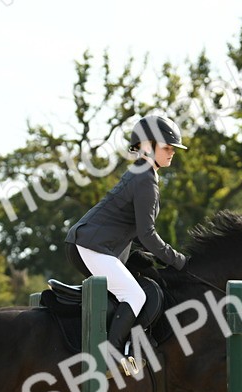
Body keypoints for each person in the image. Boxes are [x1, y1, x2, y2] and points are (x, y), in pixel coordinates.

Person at [64, 115, 189, 375]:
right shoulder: (145, 178)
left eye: (173, 149)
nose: (171, 153)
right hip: (92, 246)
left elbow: (133, 233)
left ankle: (127, 348)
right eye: (167, 147)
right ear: (146, 146)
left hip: (90, 244)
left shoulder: (140, 173)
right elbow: (147, 233)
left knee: (132, 290)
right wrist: (178, 260)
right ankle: (111, 356)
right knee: (135, 295)